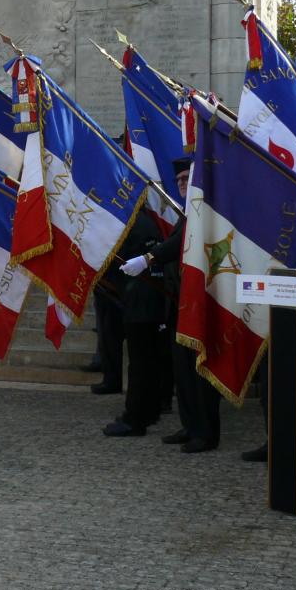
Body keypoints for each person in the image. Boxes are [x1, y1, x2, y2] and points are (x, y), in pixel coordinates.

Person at [121, 157, 220, 453]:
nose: (181, 184)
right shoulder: (186, 214)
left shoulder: (203, 212)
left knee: (198, 371)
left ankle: (205, 432)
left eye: (187, 178)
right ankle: (190, 425)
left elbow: (181, 245)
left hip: (198, 304)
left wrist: (149, 258)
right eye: (178, 180)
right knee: (182, 369)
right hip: (177, 304)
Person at [101, 209, 164, 437]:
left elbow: (118, 256)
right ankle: (149, 411)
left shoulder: (133, 223)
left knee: (139, 363)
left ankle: (134, 418)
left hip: (140, 298)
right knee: (148, 361)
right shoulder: (144, 219)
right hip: (146, 297)